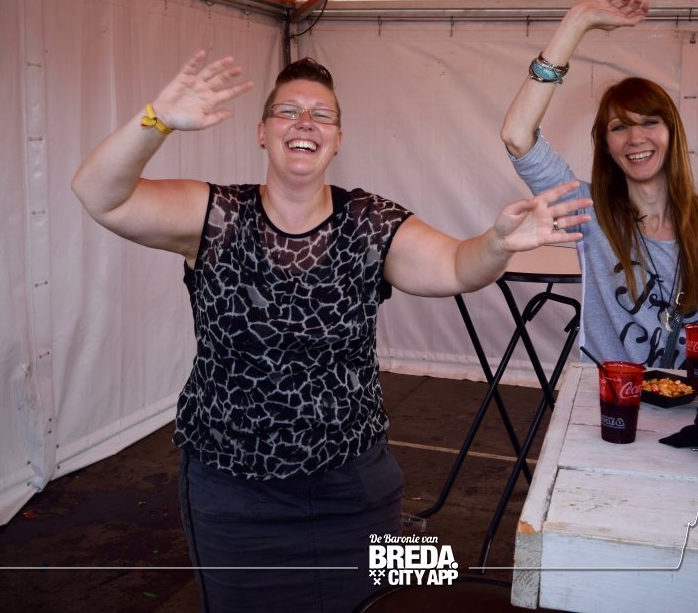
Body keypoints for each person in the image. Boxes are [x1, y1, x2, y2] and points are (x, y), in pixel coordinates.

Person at [71, 51, 591, 612]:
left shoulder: (369, 221)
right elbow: (99, 194)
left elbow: (456, 266)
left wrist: (497, 244)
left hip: (356, 488)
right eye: (288, 111)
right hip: (234, 495)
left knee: (374, 604)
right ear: (262, 132)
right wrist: (156, 120)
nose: (305, 122)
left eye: (322, 115)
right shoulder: (214, 214)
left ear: (338, 139)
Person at [501, 0, 698, 387]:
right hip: (609, 405)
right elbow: (517, 136)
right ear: (606, 146)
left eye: (650, 122)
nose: (636, 138)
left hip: (693, 407)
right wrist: (576, 23)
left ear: (672, 133)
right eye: (619, 127)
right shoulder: (589, 210)